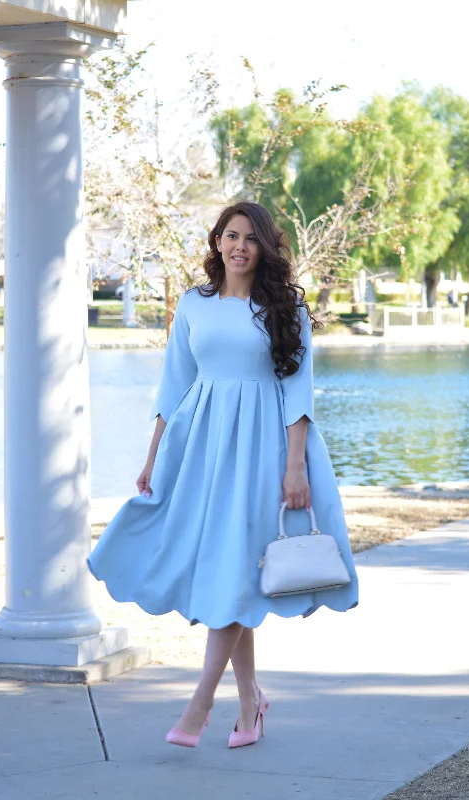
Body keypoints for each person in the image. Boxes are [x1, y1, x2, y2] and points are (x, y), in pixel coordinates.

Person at [87, 201, 359, 749]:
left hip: (264, 446)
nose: (239, 246)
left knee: (236, 571)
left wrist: (294, 467)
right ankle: (250, 703)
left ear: (265, 249)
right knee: (226, 570)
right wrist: (152, 456)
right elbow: (173, 385)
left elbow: (298, 393)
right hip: (203, 444)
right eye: (230, 236)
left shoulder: (285, 309)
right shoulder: (193, 304)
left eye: (251, 239)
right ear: (216, 242)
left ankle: (200, 704)